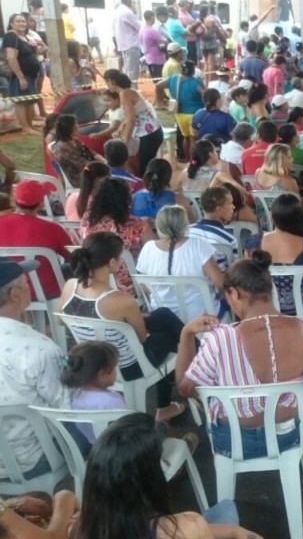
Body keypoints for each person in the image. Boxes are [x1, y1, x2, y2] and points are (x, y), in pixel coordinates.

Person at [59, 232, 186, 422]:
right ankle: (165, 405)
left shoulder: (70, 286)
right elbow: (141, 337)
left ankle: (199, 356)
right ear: (112, 262)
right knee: (169, 338)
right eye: (119, 257)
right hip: (127, 366)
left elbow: (61, 320)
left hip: (93, 358)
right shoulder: (121, 300)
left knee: (162, 315)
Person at [73, 413, 261, 538]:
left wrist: (233, 530)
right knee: (227, 508)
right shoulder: (187, 526)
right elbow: (184, 529)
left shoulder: (79, 526)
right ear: (149, 478)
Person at [0, 257, 68, 479]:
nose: (29, 287)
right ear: (15, 294)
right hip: (32, 459)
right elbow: (65, 407)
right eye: (26, 283)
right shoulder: (40, 349)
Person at [245, 193, 303, 321]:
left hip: (267, 308)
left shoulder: (254, 244)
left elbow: (247, 278)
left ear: (272, 215)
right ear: (299, 218)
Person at [136, 205, 224, 322]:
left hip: (162, 317)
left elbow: (145, 288)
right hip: (202, 315)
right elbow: (220, 283)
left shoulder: (148, 248)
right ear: (185, 224)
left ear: (159, 225)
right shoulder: (198, 245)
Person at [0, 180, 73, 299]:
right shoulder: (53, 229)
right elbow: (72, 257)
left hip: (6, 293)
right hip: (48, 292)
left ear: (14, 200)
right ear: (41, 204)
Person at [81, 178, 153, 295]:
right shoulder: (138, 226)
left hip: (94, 285)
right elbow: (156, 252)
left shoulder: (87, 220)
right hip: (130, 288)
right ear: (125, 201)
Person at [3, 13, 44, 133]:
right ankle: (25, 127)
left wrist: (35, 47)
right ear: (11, 24)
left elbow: (34, 55)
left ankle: (30, 125)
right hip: (20, 76)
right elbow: (11, 58)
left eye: (23, 21)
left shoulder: (24, 37)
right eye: (18, 21)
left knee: (29, 101)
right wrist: (21, 78)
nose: (22, 23)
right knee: (22, 101)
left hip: (30, 75)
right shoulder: (11, 36)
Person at [156, 61, 204, 159]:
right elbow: (205, 94)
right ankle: (194, 162)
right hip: (195, 114)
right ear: (193, 70)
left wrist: (160, 100)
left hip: (179, 114)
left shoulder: (173, 79)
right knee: (194, 140)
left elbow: (158, 86)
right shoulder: (197, 82)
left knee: (186, 138)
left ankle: (187, 160)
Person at [189, 186, 237, 273]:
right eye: (230, 203)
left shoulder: (185, 232)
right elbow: (234, 273)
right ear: (219, 209)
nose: (233, 207)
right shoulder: (229, 240)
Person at [50, 115, 102, 189]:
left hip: (88, 170)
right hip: (79, 177)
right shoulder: (63, 147)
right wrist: (102, 166)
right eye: (75, 125)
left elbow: (90, 152)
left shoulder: (75, 140)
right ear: (69, 128)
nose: (78, 127)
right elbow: (82, 164)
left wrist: (101, 159)